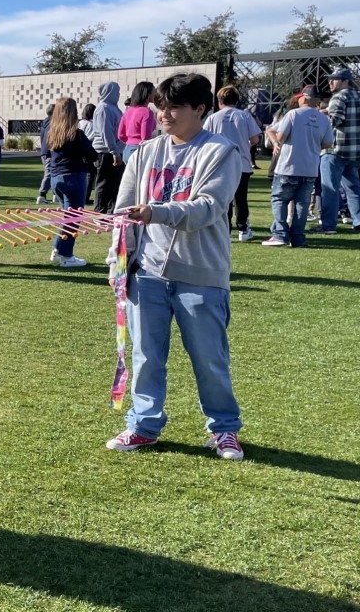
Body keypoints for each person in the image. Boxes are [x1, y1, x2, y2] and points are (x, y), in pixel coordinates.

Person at [106, 72, 244, 461]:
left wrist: (156, 211)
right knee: (146, 356)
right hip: (146, 273)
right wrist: (118, 264)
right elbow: (123, 214)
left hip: (200, 273)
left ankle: (224, 430)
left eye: (174, 107)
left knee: (210, 359)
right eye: (160, 106)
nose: (164, 114)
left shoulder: (220, 152)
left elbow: (208, 208)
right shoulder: (146, 152)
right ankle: (143, 426)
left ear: (200, 109)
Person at [262, 87, 333, 247]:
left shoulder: (293, 114)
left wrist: (275, 142)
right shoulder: (323, 119)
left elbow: (280, 136)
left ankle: (280, 234)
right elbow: (328, 143)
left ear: (305, 98)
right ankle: (298, 237)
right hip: (310, 168)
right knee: (302, 204)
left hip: (288, 166)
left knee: (279, 199)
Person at [201, 86, 262, 242]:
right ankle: (243, 229)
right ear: (237, 100)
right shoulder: (245, 116)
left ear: (220, 100)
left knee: (224, 198)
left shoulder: (213, 118)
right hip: (242, 163)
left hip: (220, 163)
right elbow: (255, 139)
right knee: (241, 198)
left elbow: (205, 139)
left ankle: (225, 230)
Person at [41, 98, 97, 267]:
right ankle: (65, 255)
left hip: (56, 178)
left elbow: (46, 155)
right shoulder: (76, 134)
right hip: (73, 177)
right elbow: (92, 155)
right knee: (73, 219)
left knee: (67, 217)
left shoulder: (51, 132)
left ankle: (58, 251)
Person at [318, 67, 360, 233]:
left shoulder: (338, 97)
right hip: (357, 151)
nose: (330, 82)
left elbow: (335, 121)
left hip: (336, 149)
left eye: (334, 79)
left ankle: (328, 225)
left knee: (330, 188)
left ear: (345, 81)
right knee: (354, 187)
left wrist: (322, 115)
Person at [89, 82, 125, 213]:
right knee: (103, 183)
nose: (119, 94)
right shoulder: (103, 108)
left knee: (114, 183)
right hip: (105, 152)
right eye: (117, 91)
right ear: (110, 92)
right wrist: (114, 151)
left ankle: (111, 211)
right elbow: (106, 132)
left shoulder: (114, 108)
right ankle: (100, 211)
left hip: (115, 150)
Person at [117, 81, 157, 164]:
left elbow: (120, 135)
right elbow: (145, 138)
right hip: (139, 150)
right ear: (148, 94)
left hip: (127, 149)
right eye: (154, 92)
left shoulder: (128, 111)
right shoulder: (147, 112)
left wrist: (130, 141)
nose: (156, 94)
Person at [36, 103, 55, 204]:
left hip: (44, 151)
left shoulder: (45, 122)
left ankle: (55, 194)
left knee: (52, 172)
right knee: (49, 173)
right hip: (49, 151)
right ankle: (42, 194)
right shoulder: (53, 122)